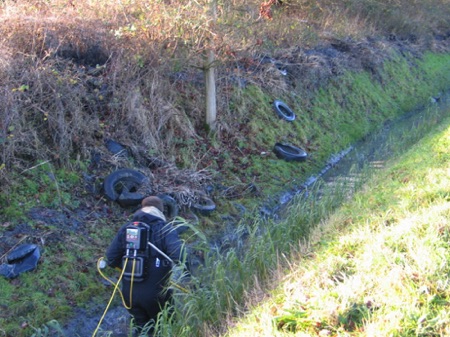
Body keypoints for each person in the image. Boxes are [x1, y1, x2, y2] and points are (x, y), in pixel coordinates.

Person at [105, 195, 185, 336]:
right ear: (160, 211)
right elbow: (180, 256)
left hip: (129, 295)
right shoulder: (164, 229)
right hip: (156, 294)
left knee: (142, 330)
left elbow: (111, 258)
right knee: (165, 329)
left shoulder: (126, 229)